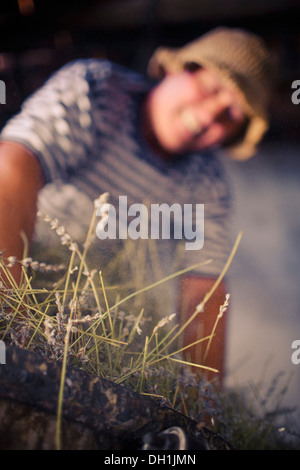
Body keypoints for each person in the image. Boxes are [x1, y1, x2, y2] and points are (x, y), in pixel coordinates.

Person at [0, 27, 276, 383]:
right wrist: (11, 318)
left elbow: (203, 291)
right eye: (211, 88)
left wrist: (205, 411)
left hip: (83, 319)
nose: (209, 116)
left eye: (230, 116)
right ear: (177, 68)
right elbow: (13, 163)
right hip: (17, 282)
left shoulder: (208, 186)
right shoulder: (96, 90)